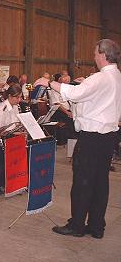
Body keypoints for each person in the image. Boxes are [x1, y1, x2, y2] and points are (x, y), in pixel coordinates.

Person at [49, 39, 121, 239]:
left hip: (92, 137)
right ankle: (97, 226)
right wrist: (85, 84)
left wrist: (48, 83)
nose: (94, 57)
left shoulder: (100, 78)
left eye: (96, 53)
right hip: (108, 137)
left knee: (82, 181)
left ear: (104, 55)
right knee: (100, 182)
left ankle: (77, 225)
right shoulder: (117, 76)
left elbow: (73, 93)